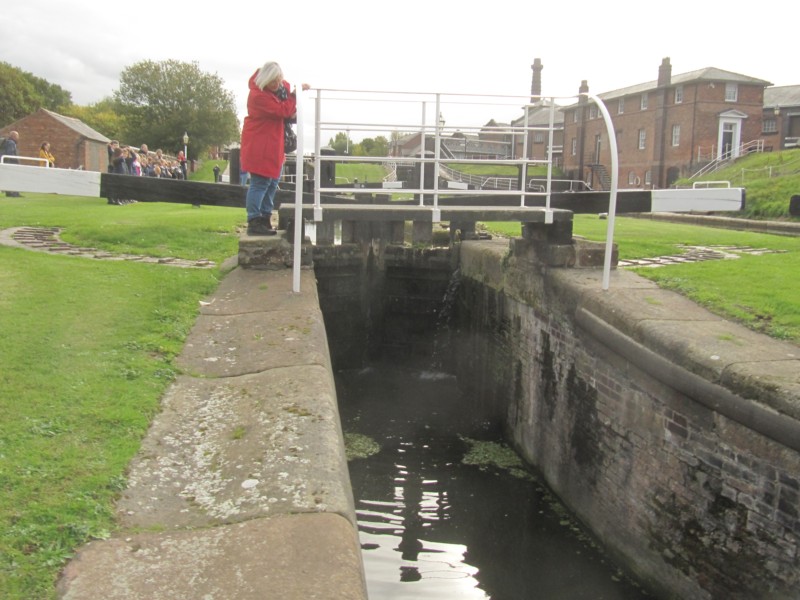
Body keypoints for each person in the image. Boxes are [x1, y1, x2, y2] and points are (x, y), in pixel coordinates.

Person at [240, 60, 309, 235]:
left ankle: (264, 218)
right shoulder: (258, 96)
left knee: (271, 183)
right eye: (273, 81)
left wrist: (292, 94)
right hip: (261, 144)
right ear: (265, 79)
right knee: (260, 183)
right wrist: (294, 96)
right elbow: (282, 111)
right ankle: (255, 221)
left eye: (278, 80)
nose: (277, 84)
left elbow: (284, 110)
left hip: (271, 143)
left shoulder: (274, 92)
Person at [1, 131, 22, 196]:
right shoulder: (11, 143)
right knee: (13, 178)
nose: (18, 138)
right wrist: (16, 163)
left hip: (6, 163)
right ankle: (14, 193)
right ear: (14, 136)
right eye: (17, 136)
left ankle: (10, 193)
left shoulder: (7, 142)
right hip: (10, 164)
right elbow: (10, 154)